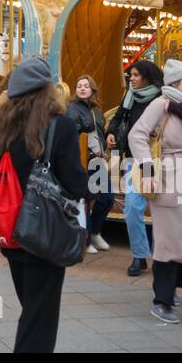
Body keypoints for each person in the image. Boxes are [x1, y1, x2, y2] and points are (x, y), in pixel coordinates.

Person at [0, 57, 89, 353]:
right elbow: (74, 183)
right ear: (47, 91)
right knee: (39, 318)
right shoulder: (61, 127)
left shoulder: (1, 129)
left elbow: (1, 175)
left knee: (32, 310)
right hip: (45, 233)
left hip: (12, 233)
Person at [127, 59, 182, 324]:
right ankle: (162, 298)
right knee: (168, 238)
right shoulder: (160, 105)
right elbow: (136, 134)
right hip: (168, 176)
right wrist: (148, 169)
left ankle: (172, 290)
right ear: (174, 83)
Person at [105, 59, 164, 276]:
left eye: (136, 75)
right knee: (131, 207)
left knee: (162, 210)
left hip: (159, 159)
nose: (132, 78)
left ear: (148, 77)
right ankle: (140, 255)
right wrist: (110, 132)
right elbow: (119, 116)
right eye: (131, 75)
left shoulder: (162, 98)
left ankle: (163, 256)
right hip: (135, 160)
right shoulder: (130, 96)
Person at [66, 75, 112, 254]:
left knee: (106, 198)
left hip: (98, 159)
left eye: (86, 86)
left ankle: (94, 232)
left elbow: (100, 135)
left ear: (92, 89)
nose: (82, 88)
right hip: (85, 159)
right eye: (79, 86)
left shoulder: (97, 112)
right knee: (86, 199)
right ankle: (86, 238)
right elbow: (72, 135)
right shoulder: (72, 109)